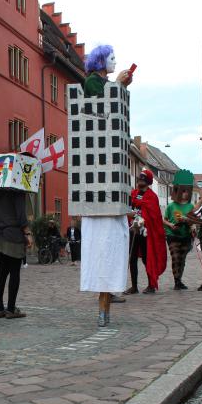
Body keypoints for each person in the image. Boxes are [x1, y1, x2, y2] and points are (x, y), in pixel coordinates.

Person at [81, 44, 132, 326]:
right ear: (101, 61)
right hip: (96, 170)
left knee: (113, 241)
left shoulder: (103, 82)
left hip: (106, 172)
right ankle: (103, 300)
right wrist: (118, 86)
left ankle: (109, 294)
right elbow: (100, 110)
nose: (115, 61)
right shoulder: (92, 81)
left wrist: (121, 86)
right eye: (111, 58)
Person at [0, 190, 32, 319]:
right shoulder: (17, 189)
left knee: (2, 272)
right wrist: (27, 233)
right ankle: (10, 309)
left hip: (0, 234)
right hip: (13, 235)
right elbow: (21, 214)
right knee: (14, 272)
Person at [125, 169, 167, 295]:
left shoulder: (152, 197)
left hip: (146, 233)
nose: (140, 181)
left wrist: (143, 220)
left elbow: (154, 215)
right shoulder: (133, 193)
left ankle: (151, 285)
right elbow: (128, 207)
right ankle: (134, 287)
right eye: (139, 179)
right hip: (133, 230)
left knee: (146, 258)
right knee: (132, 258)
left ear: (147, 182)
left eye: (142, 180)